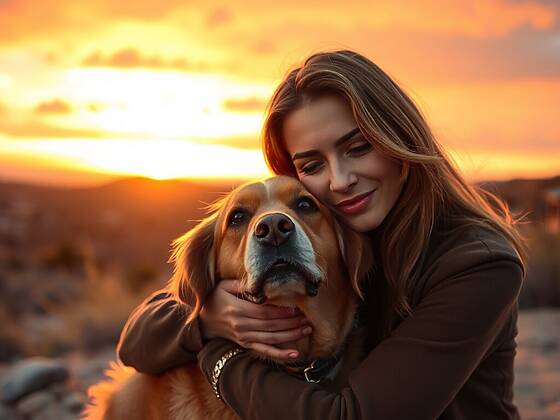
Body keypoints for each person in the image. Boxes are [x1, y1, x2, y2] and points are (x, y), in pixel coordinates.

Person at [117, 50, 527, 419]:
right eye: (312, 166)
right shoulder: (334, 233)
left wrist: (218, 356)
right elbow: (136, 341)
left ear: (398, 138)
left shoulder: (479, 263)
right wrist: (208, 319)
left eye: (359, 147)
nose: (341, 179)